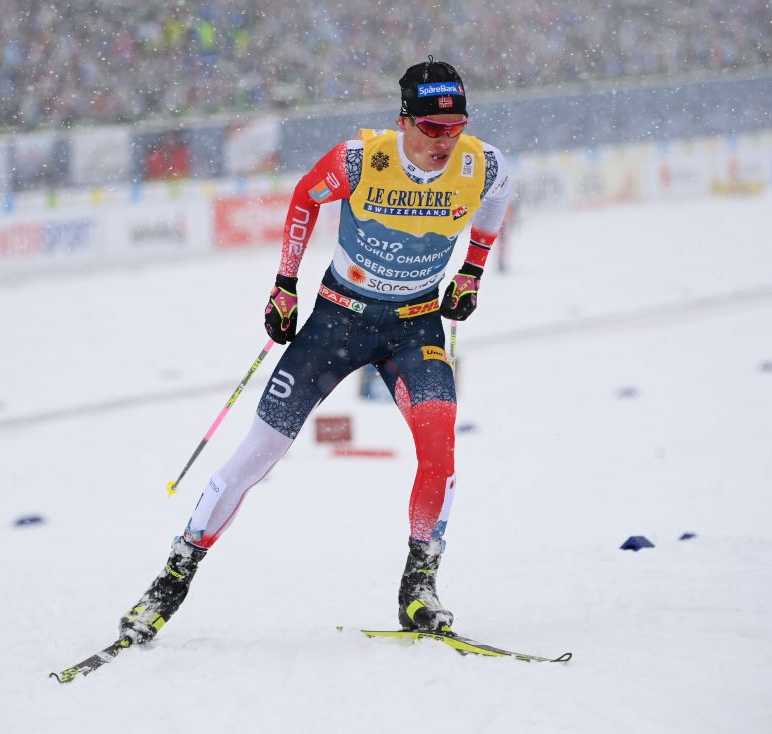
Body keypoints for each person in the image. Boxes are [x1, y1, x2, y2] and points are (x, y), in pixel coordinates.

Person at [119, 57, 512, 643]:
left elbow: (495, 206)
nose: (445, 141)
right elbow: (305, 199)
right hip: (337, 322)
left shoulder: (486, 165)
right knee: (259, 453)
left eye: (455, 127)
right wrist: (284, 285)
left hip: (415, 325)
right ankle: (172, 578)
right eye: (432, 129)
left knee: (440, 449)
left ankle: (419, 588)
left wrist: (472, 274)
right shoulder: (361, 160)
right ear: (403, 120)